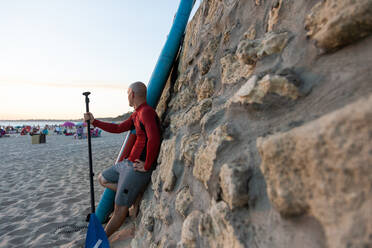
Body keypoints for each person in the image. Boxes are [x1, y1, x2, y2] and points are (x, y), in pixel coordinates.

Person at [84, 81, 161, 239]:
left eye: (127, 94)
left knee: (119, 209)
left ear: (132, 94)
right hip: (126, 164)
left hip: (135, 168)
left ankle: (101, 239)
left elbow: (154, 138)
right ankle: (133, 193)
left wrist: (147, 165)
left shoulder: (146, 112)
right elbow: (118, 128)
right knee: (102, 178)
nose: (127, 97)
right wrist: (94, 122)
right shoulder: (136, 114)